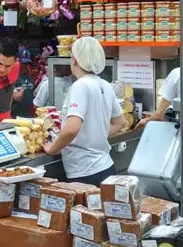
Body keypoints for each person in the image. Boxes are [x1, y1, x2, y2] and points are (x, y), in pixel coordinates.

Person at [42, 37, 126, 185]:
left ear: (74, 61)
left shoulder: (80, 86)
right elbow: (120, 122)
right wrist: (94, 136)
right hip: (106, 167)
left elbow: (71, 129)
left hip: (85, 173)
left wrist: (53, 149)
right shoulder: (105, 84)